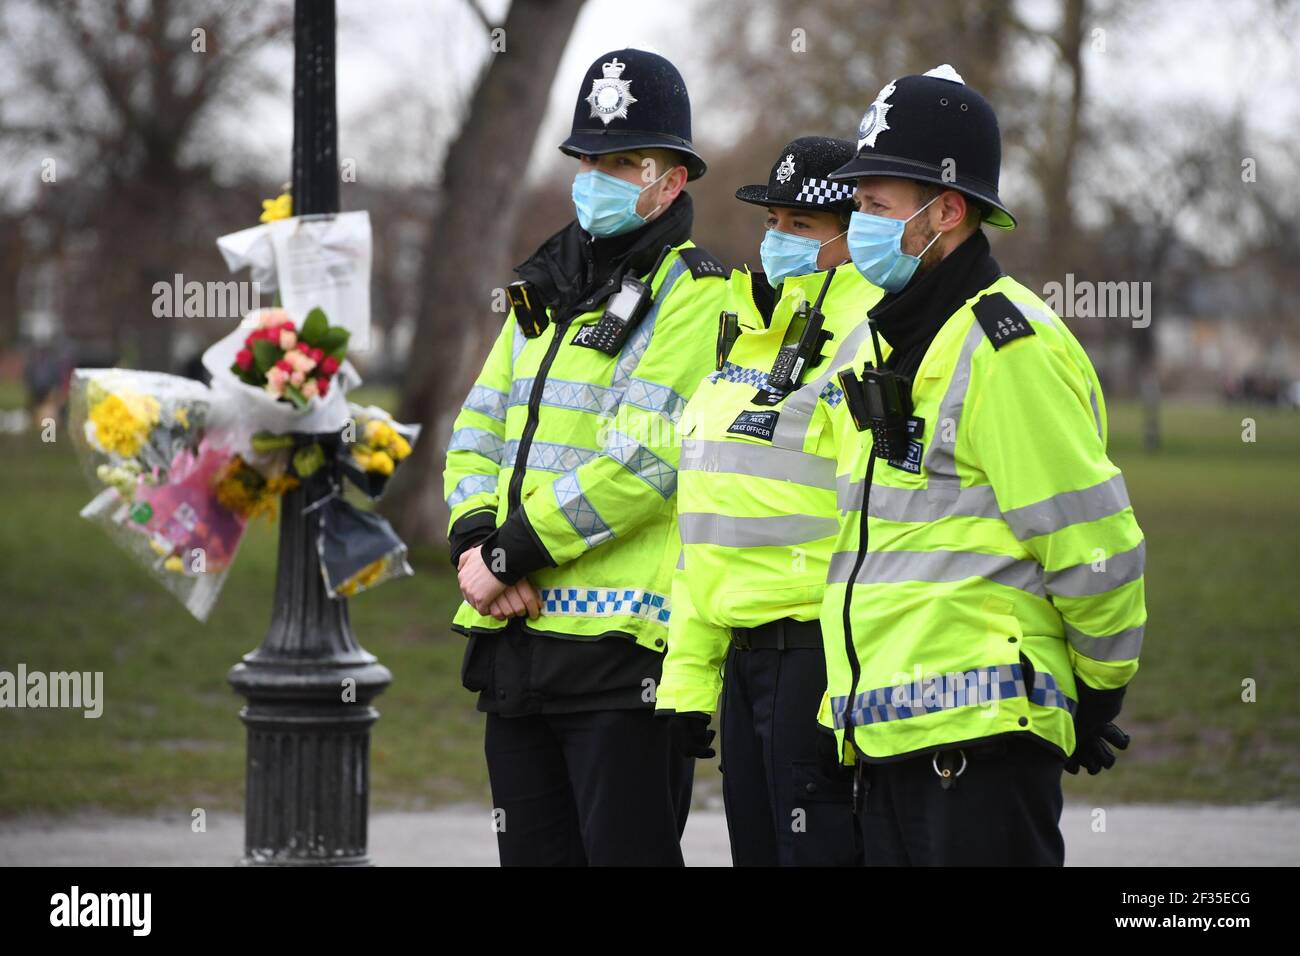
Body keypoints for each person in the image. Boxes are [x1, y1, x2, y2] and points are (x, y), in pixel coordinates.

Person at [818, 65, 1147, 866]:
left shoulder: (1008, 345)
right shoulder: (877, 341)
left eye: (875, 206)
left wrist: (1098, 692)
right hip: (887, 742)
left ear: (947, 211)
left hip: (977, 753)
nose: (856, 223)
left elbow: (1093, 542)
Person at [443, 48, 728, 866]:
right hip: (515, 643)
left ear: (671, 181)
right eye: (589, 159)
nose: (595, 176)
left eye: (620, 162)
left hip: (620, 666)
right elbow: (476, 429)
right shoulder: (544, 283)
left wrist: (508, 553)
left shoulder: (697, 292)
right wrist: (474, 539)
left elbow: (646, 464)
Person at [655, 137, 881, 865]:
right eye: (772, 221)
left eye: (801, 226)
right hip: (743, 665)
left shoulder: (869, 338)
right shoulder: (749, 338)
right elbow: (705, 530)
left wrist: (845, 690)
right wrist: (687, 682)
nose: (776, 239)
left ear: (853, 235)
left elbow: (879, 525)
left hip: (817, 659)